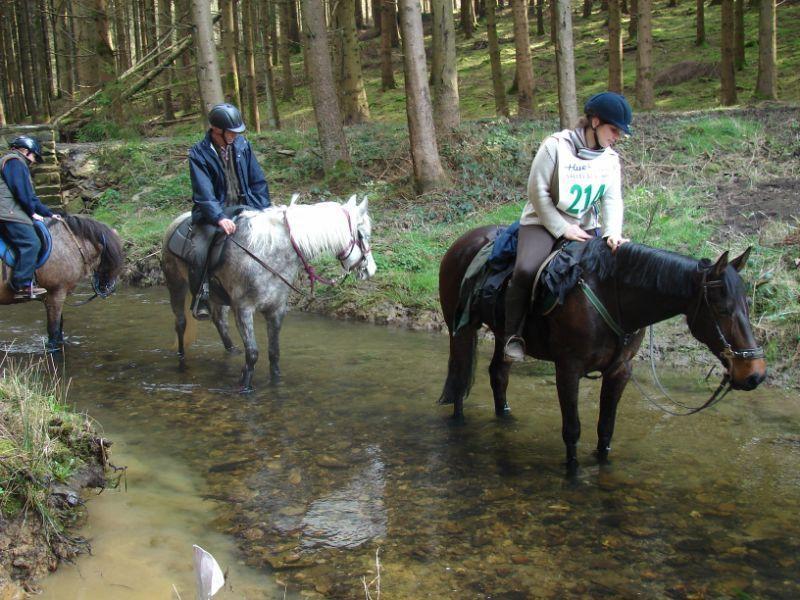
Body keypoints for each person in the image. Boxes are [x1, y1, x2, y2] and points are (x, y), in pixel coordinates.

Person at [503, 92, 633, 362]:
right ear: (595, 122)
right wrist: (562, 228)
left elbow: (612, 200)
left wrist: (612, 233)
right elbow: (536, 192)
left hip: (585, 227)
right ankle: (512, 336)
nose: (617, 137)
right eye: (614, 130)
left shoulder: (610, 160)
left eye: (620, 132)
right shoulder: (555, 146)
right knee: (526, 270)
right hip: (542, 222)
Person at [188, 103, 271, 319]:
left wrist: (264, 209)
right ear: (217, 130)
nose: (235, 135)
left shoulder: (243, 145)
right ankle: (202, 297)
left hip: (246, 207)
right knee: (198, 251)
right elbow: (203, 193)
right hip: (214, 213)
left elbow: (258, 181)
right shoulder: (198, 154)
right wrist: (218, 218)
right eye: (232, 131)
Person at [0, 136, 57, 300]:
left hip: (8, 211)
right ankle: (20, 285)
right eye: (34, 157)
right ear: (25, 151)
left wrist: (49, 213)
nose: (33, 161)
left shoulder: (15, 163)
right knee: (32, 243)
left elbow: (31, 197)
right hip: (7, 213)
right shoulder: (14, 162)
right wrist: (32, 213)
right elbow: (21, 193)